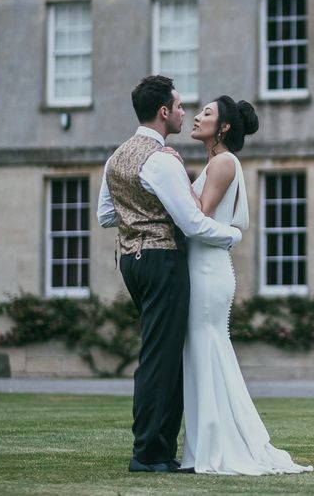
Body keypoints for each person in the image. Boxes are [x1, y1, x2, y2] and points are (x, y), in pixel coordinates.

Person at [96, 75, 242, 474]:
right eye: (178, 107)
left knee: (155, 351)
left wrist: (138, 221)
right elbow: (193, 222)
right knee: (162, 356)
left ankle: (154, 448)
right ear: (163, 112)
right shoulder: (162, 160)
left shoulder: (116, 157)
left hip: (130, 261)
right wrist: (232, 234)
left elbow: (106, 215)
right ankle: (151, 452)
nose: (184, 112)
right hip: (162, 260)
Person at [179, 95, 313, 475]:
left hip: (208, 270)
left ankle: (217, 448)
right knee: (203, 352)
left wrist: (172, 175)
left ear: (222, 127)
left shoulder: (223, 162)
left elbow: (198, 213)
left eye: (206, 113)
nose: (196, 116)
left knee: (208, 349)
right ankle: (203, 446)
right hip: (201, 266)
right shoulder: (215, 161)